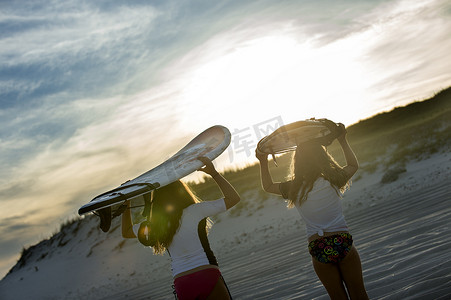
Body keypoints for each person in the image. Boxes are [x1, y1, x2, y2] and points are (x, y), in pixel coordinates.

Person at [256, 122, 369, 300]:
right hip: (342, 242)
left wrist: (263, 161)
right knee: (359, 294)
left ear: (297, 161)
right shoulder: (333, 179)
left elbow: (268, 186)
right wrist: (343, 140)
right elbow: (353, 166)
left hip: (319, 247)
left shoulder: (295, 188)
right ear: (323, 157)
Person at [121, 157, 240, 300]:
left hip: (182, 283)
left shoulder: (156, 224)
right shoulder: (196, 210)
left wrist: (126, 202)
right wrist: (214, 173)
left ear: (157, 199)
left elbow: (126, 232)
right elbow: (233, 198)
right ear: (181, 191)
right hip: (207, 274)